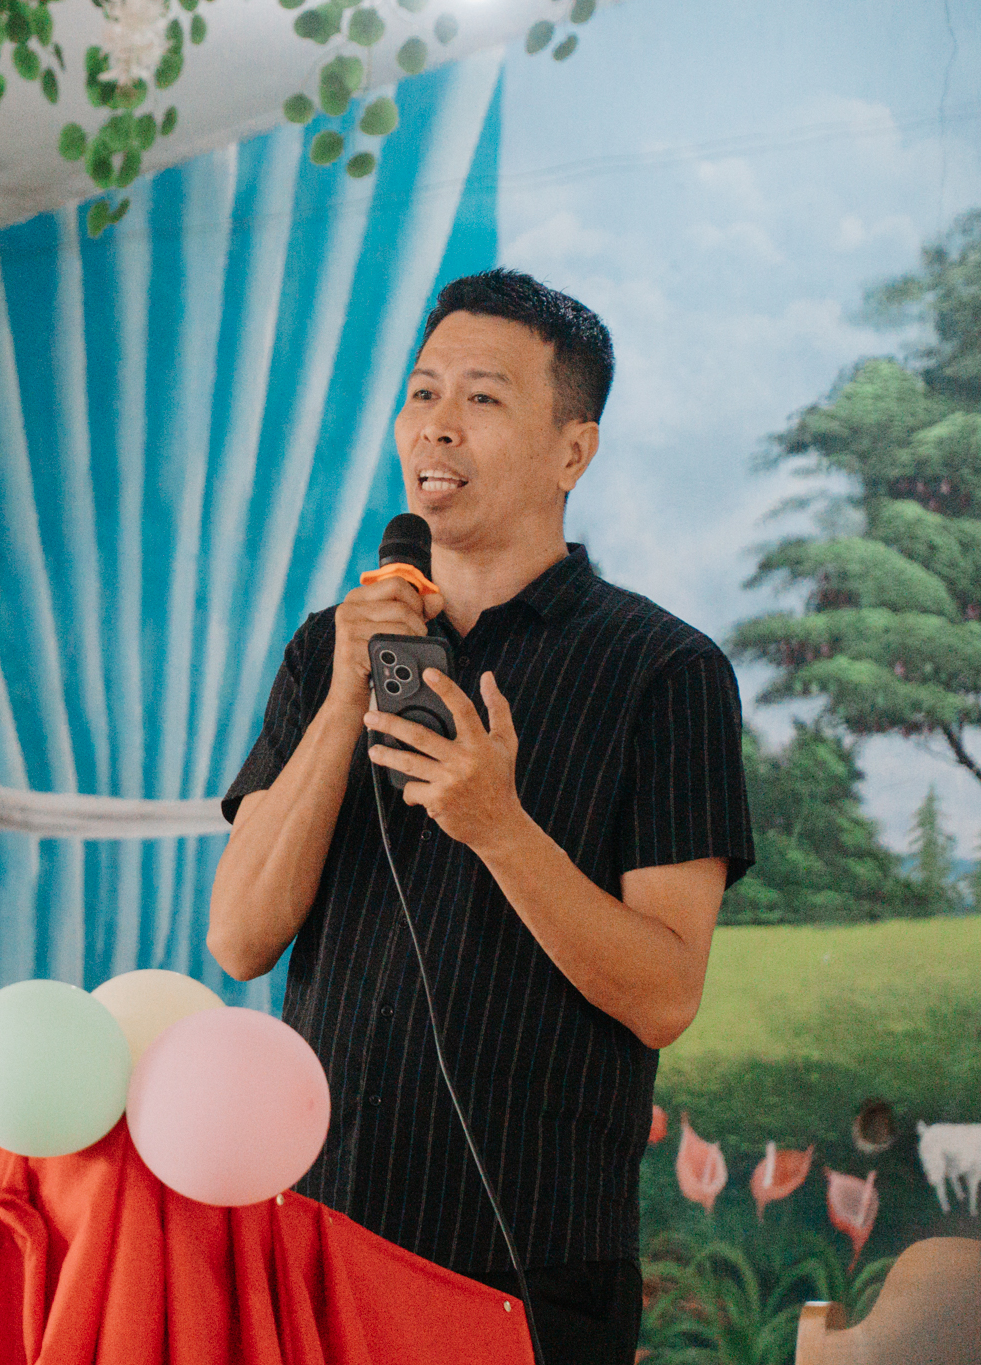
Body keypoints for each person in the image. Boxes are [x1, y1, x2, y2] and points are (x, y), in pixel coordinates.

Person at [208, 268, 755, 1365]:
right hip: (314, 1237)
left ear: (571, 452)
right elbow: (239, 936)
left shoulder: (664, 671)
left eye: (483, 397)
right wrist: (345, 696)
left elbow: (664, 994)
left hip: (529, 1267)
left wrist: (498, 826)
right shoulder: (327, 647)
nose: (437, 425)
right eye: (422, 391)